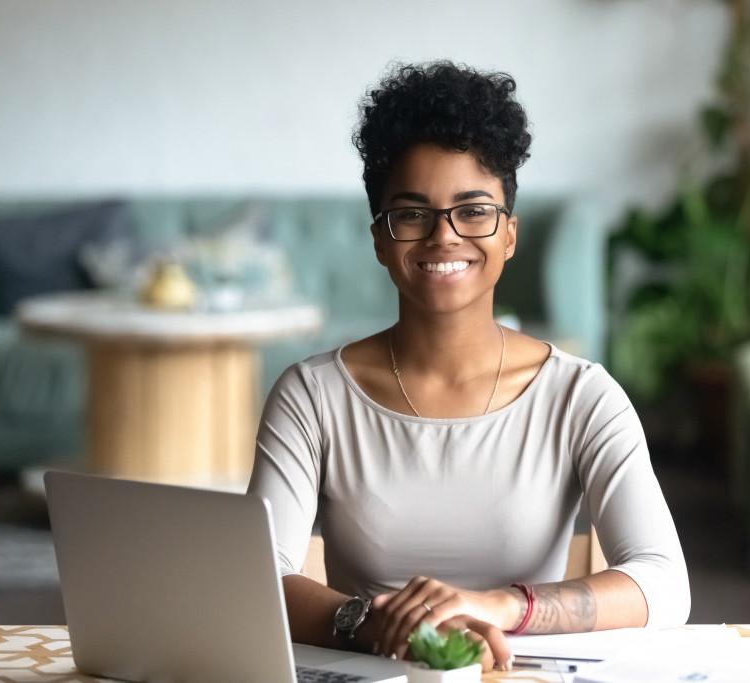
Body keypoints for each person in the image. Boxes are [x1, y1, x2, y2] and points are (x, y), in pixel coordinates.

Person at [247, 61, 690, 673]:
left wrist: (497, 607)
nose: (444, 236)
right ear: (380, 238)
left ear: (509, 233)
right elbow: (257, 577)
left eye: (474, 209)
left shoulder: (582, 396)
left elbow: (664, 582)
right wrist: (373, 622)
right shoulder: (312, 396)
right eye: (412, 213)